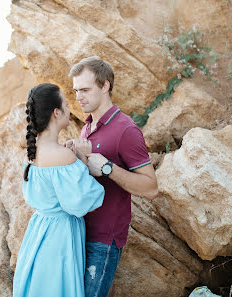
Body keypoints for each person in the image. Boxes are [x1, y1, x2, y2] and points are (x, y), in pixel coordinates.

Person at [67, 56, 159, 297]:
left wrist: (109, 168)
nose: (79, 97)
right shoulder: (87, 126)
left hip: (104, 241)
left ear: (105, 85)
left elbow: (151, 188)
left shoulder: (126, 130)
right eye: (76, 91)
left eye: (85, 90)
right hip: (78, 233)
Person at [13, 83, 105, 297]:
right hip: (59, 236)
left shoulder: (32, 154)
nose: (70, 109)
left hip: (38, 232)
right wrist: (82, 160)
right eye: (65, 104)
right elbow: (85, 201)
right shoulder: (64, 157)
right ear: (56, 112)